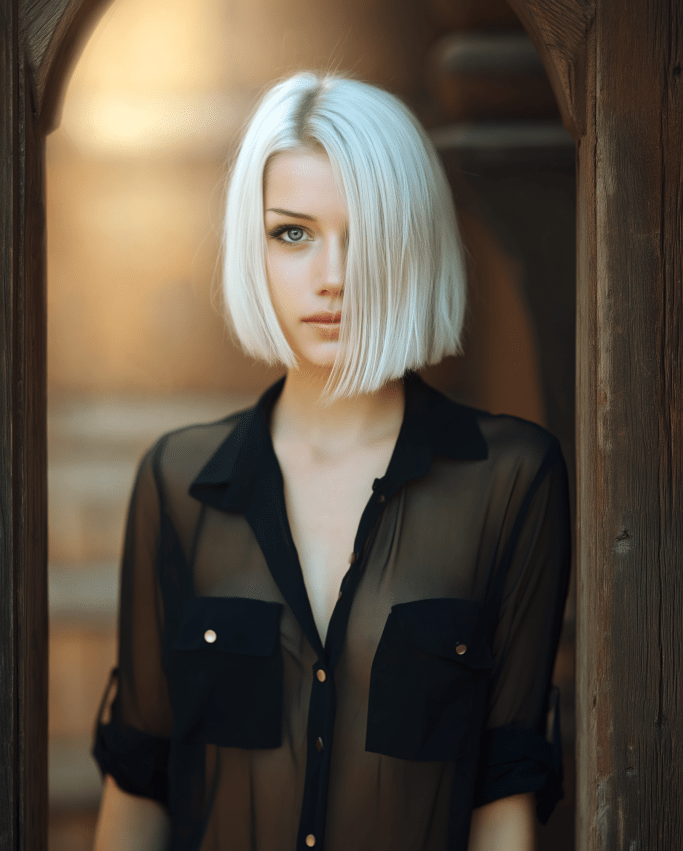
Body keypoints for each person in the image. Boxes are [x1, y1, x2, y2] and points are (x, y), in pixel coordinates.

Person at [92, 73, 571, 851]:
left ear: (413, 243)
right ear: (255, 247)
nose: (333, 277)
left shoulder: (510, 479)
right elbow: (139, 780)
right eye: (293, 233)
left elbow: (502, 794)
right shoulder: (178, 483)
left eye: (366, 233)